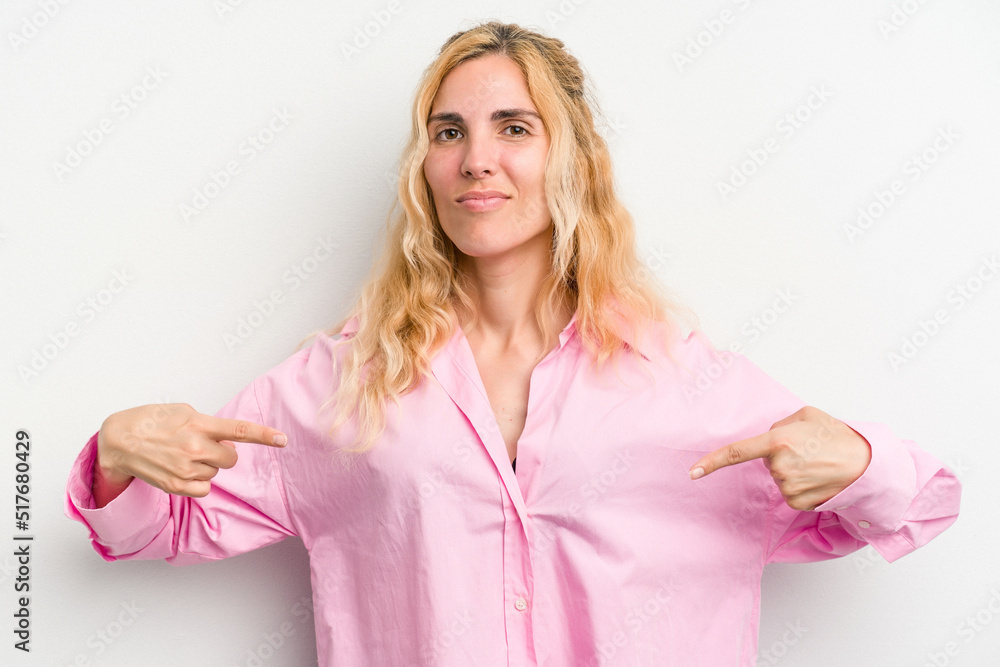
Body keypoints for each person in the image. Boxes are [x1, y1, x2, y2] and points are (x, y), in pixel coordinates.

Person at [65, 21, 961, 666]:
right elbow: (165, 524)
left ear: (572, 158)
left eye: (514, 129)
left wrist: (855, 460)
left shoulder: (687, 381)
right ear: (426, 167)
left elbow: (923, 506)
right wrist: (115, 455)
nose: (475, 159)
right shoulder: (343, 384)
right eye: (448, 132)